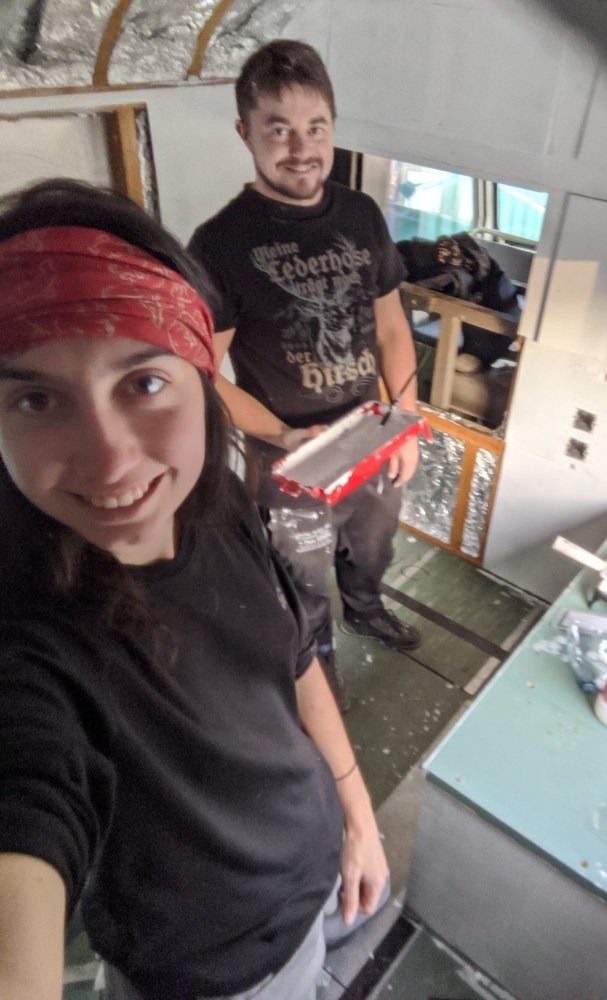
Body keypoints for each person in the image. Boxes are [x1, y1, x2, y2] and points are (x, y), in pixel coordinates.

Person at [0, 178, 388, 1000]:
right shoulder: (28, 640)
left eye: (142, 383)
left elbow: (294, 656)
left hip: (320, 863)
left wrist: (355, 810)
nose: (111, 463)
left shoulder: (215, 505)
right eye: (36, 398)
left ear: (201, 378)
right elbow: (27, 799)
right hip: (221, 974)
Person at [188, 40, 422, 710]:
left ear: (333, 127)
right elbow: (200, 372)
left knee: (372, 549)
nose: (301, 149)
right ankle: (318, 659)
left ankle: (367, 611)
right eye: (278, 130)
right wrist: (283, 436)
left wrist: (404, 423)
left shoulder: (361, 215)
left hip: (370, 434)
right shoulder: (220, 243)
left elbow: (391, 327)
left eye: (315, 128)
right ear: (246, 133)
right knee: (304, 577)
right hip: (289, 461)